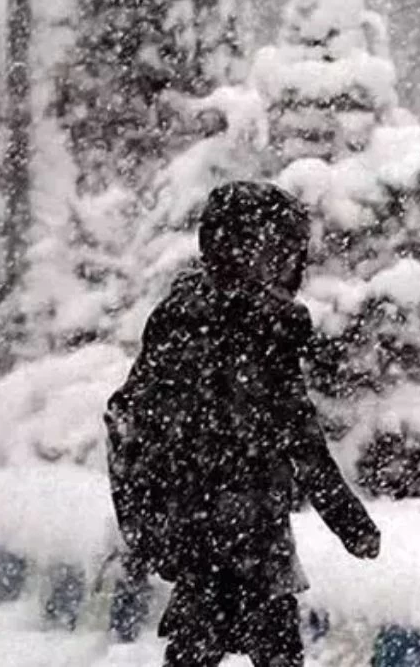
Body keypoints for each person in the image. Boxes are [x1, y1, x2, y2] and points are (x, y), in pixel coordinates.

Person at [105, 181, 381, 666]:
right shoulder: (266, 326)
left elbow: (128, 417)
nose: (292, 265)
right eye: (285, 250)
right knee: (273, 644)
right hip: (250, 533)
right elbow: (302, 439)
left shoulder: (176, 315)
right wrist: (350, 522)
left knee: (197, 644)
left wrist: (145, 515)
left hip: (190, 528)